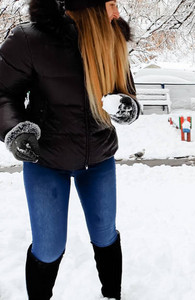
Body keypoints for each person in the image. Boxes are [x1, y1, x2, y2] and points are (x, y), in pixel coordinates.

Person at [0, 0, 139, 299]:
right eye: (112, 4)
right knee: (48, 248)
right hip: (46, 160)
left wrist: (128, 107)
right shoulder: (29, 39)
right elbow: (3, 92)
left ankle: (112, 295)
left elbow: (127, 92)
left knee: (105, 235)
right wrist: (15, 130)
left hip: (99, 158)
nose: (117, 12)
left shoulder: (112, 37)